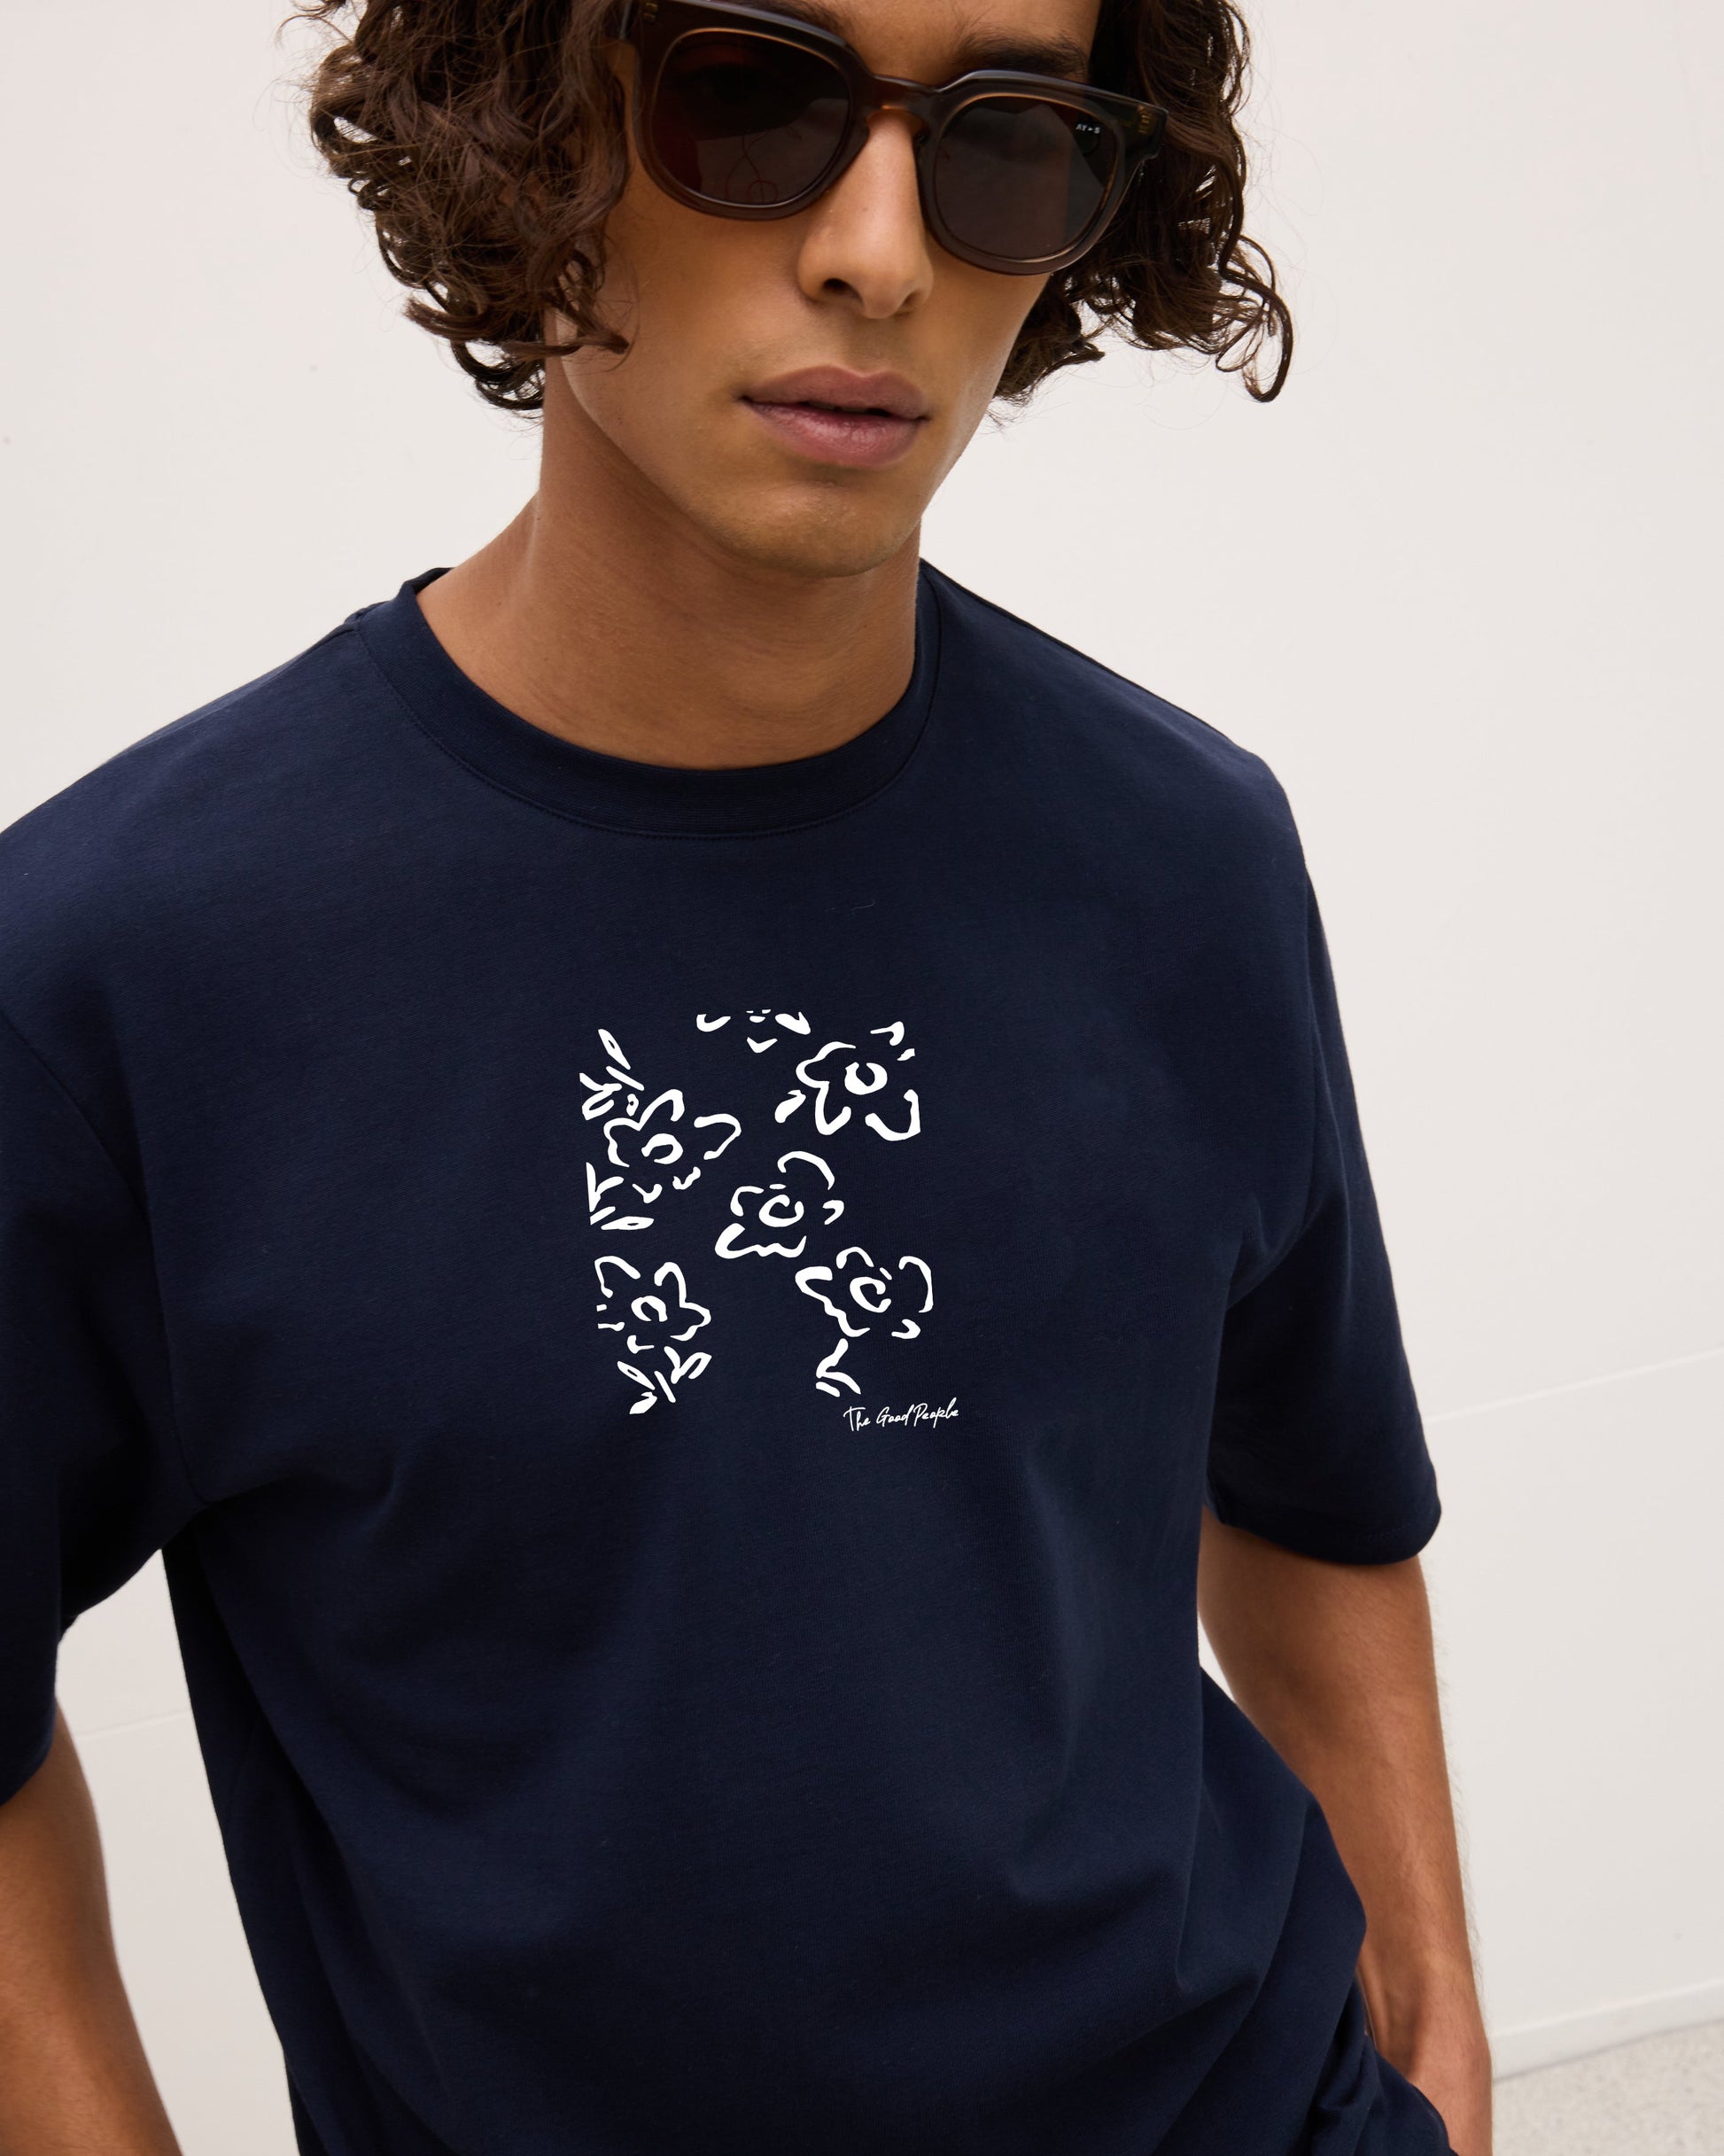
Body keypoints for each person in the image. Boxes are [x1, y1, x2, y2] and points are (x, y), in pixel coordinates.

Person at [0, 0, 1495, 2150]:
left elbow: (1319, 1488)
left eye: (1003, 140)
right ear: (533, 118)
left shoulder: (1184, 854)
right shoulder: (119, 969)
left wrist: (1435, 2032)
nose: (879, 254)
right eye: (751, 97)